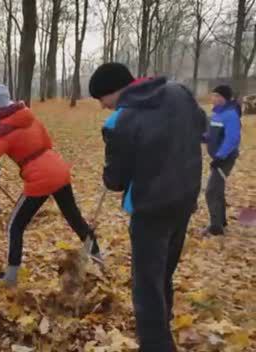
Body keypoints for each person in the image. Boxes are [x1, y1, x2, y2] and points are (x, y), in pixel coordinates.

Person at [89, 63, 206, 352]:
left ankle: (156, 344)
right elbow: (201, 126)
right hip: (184, 200)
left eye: (101, 99)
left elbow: (115, 180)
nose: (103, 107)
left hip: (151, 211)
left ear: (112, 91)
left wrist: (110, 164)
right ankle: (162, 323)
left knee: (146, 285)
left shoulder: (122, 120)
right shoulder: (179, 92)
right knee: (163, 273)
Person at [0, 83, 103, 286]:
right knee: (74, 218)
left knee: (15, 225)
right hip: (59, 169)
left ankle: (11, 278)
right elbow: (47, 143)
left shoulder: (5, 133)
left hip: (41, 178)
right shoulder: (29, 118)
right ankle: (99, 259)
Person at [201, 85, 242, 236]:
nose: (214, 98)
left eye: (218, 96)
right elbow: (212, 135)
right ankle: (221, 221)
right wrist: (203, 138)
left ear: (225, 98)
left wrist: (220, 156)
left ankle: (215, 227)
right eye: (213, 95)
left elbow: (232, 139)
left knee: (211, 191)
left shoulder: (230, 114)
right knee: (217, 190)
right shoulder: (217, 114)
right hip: (218, 158)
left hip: (225, 159)